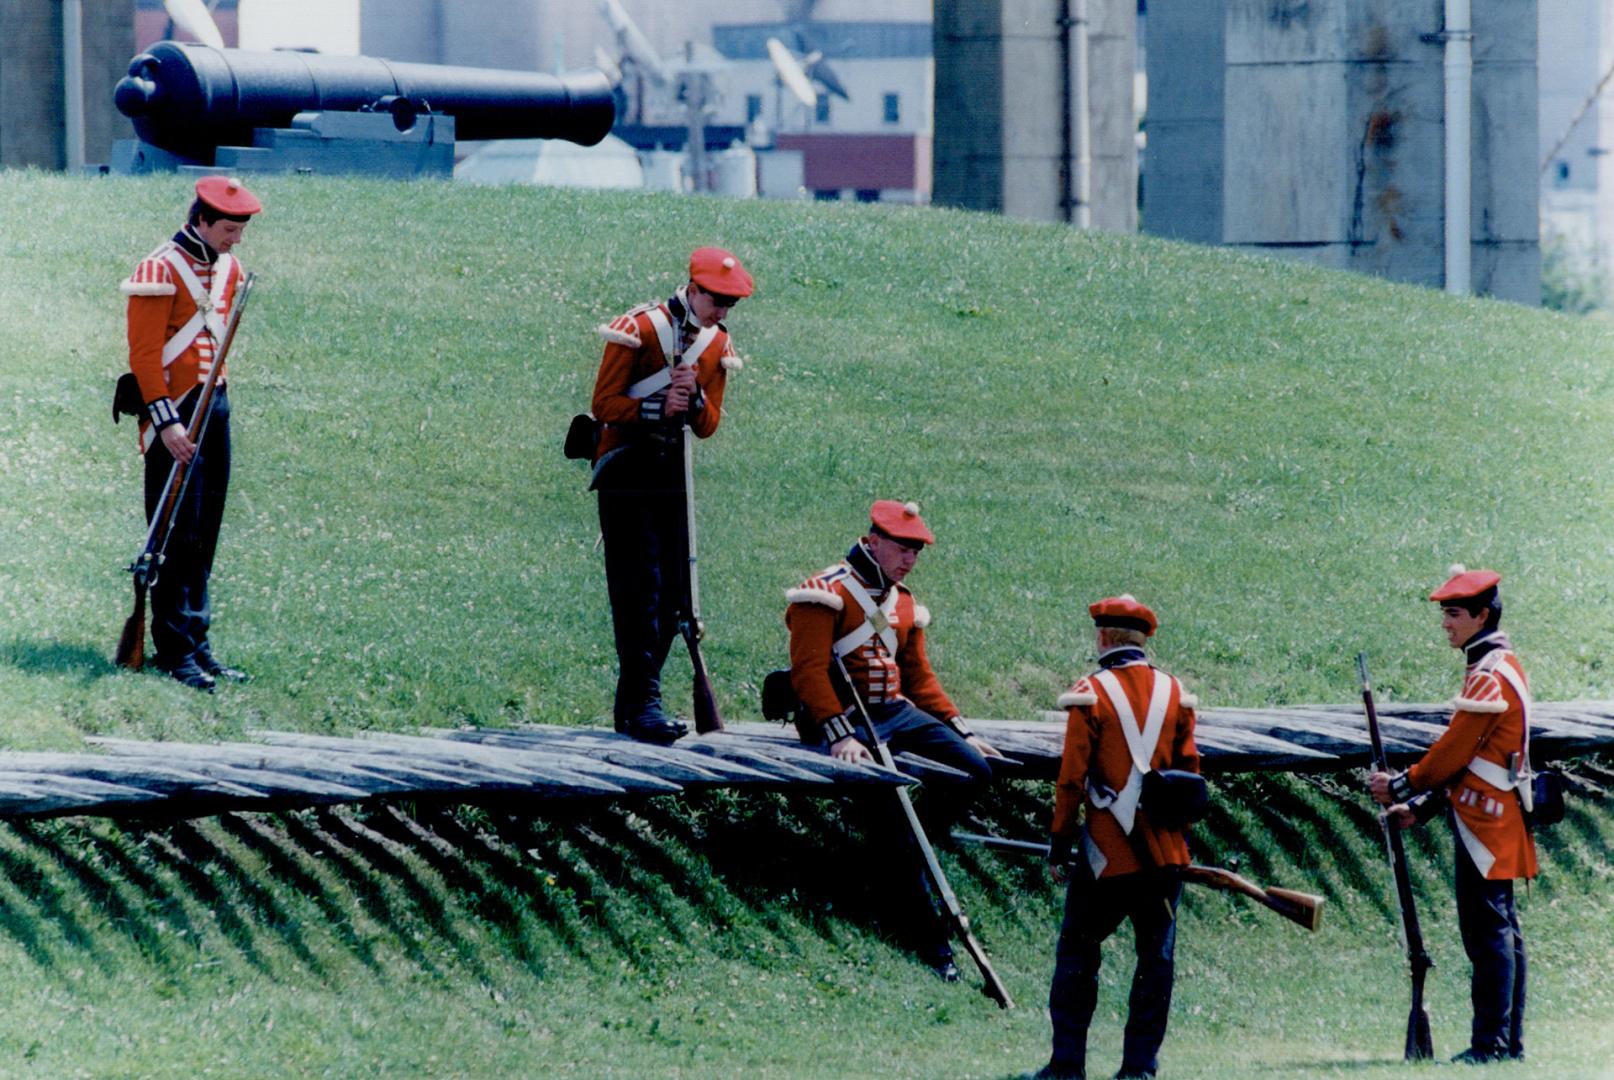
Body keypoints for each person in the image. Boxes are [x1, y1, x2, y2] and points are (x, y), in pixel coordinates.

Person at [784, 499, 1003, 978]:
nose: (909, 559)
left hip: (895, 714)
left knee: (976, 771)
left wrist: (962, 731)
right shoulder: (823, 592)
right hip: (843, 718)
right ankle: (934, 943)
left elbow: (919, 679)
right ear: (874, 541)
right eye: (902, 548)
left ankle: (901, 845)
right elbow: (808, 674)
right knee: (894, 820)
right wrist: (839, 735)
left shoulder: (902, 602)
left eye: (916, 551)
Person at [1369, 565, 1536, 1064]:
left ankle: (1492, 1045)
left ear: (1483, 615)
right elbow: (1473, 759)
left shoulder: (1489, 675)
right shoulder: (1495, 667)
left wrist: (1402, 784)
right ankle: (1506, 1044)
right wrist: (1420, 807)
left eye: (1455, 614)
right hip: (1489, 813)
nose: (1446, 623)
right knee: (1499, 932)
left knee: (1488, 936)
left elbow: (1454, 751)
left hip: (1488, 820)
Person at [590, 247, 751, 743]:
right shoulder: (639, 329)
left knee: (672, 596)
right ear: (694, 289)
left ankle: (636, 706)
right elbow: (603, 403)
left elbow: (709, 426)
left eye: (731, 303)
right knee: (640, 590)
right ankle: (645, 705)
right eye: (717, 300)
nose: (723, 311)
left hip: (670, 473)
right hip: (626, 469)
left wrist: (696, 398)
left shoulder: (715, 344)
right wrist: (656, 407)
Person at [1039, 595, 1200, 1080]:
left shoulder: (1090, 692)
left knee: (1077, 952)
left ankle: (1067, 1066)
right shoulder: (1175, 692)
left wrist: (1060, 843)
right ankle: (1139, 1069)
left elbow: (1071, 781)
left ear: (1104, 637)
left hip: (1106, 857)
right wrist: (1177, 847)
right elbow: (1189, 776)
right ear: (1143, 639)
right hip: (1165, 857)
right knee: (1156, 960)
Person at [121, 176, 260, 691]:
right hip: (174, 414)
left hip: (214, 405)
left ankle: (199, 647)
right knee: (174, 538)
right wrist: (166, 422)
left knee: (204, 535)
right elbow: (143, 355)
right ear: (202, 218)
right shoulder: (159, 267)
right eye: (228, 228)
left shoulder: (229, 268)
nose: (236, 238)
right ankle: (174, 650)